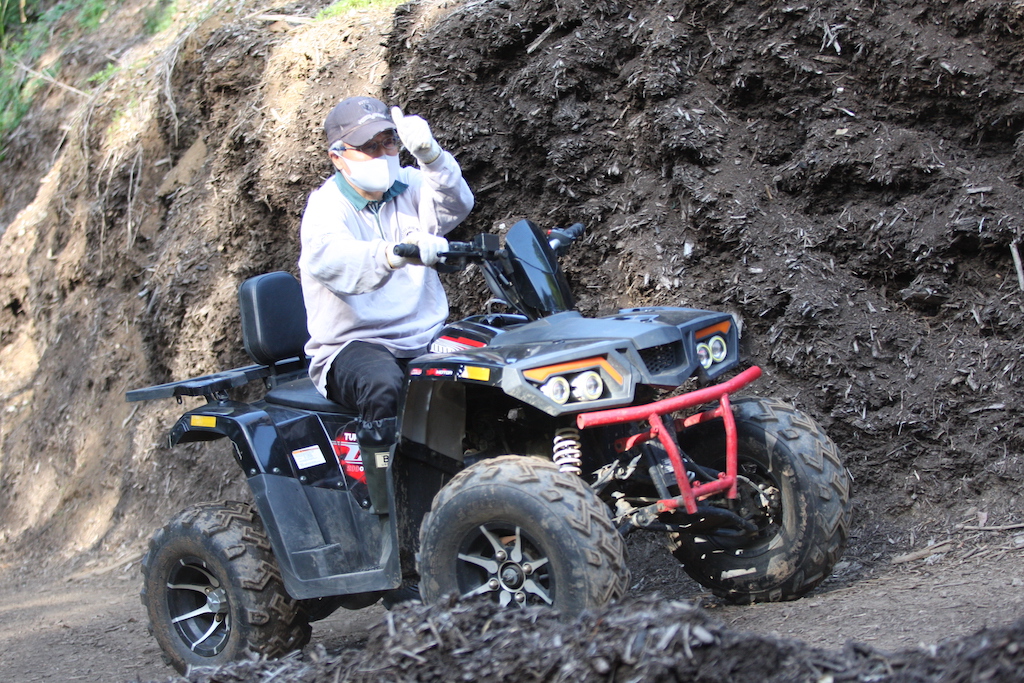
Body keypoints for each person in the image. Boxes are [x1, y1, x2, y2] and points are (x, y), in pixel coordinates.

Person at [298, 96, 474, 516]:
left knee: (484, 364)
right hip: (352, 345)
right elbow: (334, 261)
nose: (382, 154)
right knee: (382, 386)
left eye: (388, 142)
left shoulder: (410, 184)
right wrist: (393, 253)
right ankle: (387, 503)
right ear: (338, 157)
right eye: (368, 147)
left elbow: (456, 204)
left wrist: (432, 156)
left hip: (424, 336)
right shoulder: (326, 207)